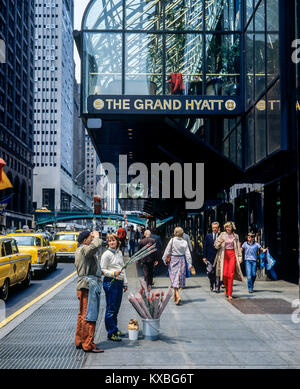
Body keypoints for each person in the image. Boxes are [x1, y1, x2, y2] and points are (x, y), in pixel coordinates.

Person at [74, 230, 104, 353]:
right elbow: (92, 248)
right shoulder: (84, 249)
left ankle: (80, 341)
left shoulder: (79, 250)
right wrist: (96, 237)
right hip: (87, 286)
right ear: (85, 240)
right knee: (89, 315)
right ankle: (88, 344)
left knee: (82, 315)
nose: (92, 240)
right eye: (90, 238)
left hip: (83, 285)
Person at [100, 233, 128, 342]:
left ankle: (114, 329)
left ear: (117, 241)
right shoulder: (106, 254)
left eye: (113, 240)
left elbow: (122, 268)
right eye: (109, 241)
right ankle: (111, 332)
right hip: (110, 282)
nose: (112, 243)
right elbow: (102, 270)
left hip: (119, 282)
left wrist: (125, 282)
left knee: (116, 308)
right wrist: (113, 274)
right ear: (107, 243)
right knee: (111, 308)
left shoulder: (119, 252)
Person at [162, 226, 192, 305]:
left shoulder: (172, 240)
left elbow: (167, 250)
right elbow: (188, 253)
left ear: (175, 233)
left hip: (173, 260)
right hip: (182, 260)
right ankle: (175, 296)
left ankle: (177, 296)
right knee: (178, 278)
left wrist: (164, 259)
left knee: (174, 278)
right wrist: (189, 263)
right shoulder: (184, 242)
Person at [213, 221, 243, 300]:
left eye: (229, 227)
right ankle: (226, 287)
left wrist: (240, 257)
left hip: (232, 255)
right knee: (224, 274)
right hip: (224, 255)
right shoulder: (222, 235)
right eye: (226, 227)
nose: (227, 228)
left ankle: (230, 293)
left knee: (231, 274)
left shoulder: (235, 236)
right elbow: (216, 245)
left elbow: (238, 248)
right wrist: (220, 242)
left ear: (232, 227)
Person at [203, 222, 221, 292]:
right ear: (212, 228)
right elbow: (205, 246)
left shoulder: (221, 236)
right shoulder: (208, 236)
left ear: (218, 228)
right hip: (209, 257)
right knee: (210, 272)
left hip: (218, 256)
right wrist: (204, 256)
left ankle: (217, 288)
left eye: (216, 227)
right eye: (213, 228)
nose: (215, 229)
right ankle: (211, 282)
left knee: (217, 273)